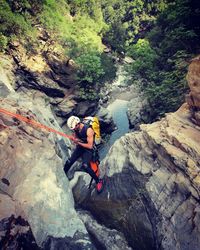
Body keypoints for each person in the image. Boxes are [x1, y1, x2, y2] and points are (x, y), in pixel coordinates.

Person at [64, 115, 103, 193]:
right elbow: (76, 136)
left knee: (85, 166)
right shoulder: (76, 128)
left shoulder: (88, 130)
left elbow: (90, 146)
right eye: (73, 129)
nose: (74, 129)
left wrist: (77, 142)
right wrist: (74, 139)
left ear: (78, 124)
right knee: (69, 161)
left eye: (74, 128)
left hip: (89, 149)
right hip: (81, 145)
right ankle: (63, 175)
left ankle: (98, 181)